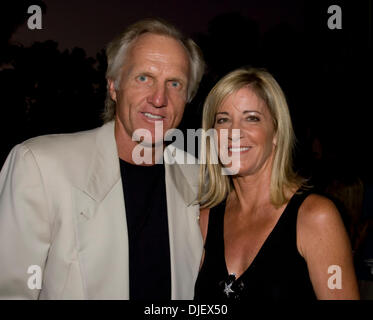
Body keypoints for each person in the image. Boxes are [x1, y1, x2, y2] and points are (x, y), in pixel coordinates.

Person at [0, 18, 205, 299]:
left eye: (175, 84)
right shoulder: (39, 165)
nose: (159, 98)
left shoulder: (201, 179)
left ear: (188, 97)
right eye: (143, 77)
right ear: (113, 86)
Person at [194, 67, 360, 300]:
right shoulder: (204, 220)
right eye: (223, 120)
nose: (234, 132)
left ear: (276, 133)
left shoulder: (315, 218)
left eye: (251, 118)